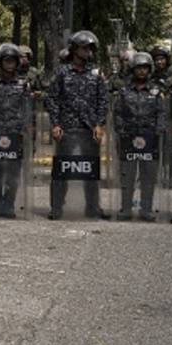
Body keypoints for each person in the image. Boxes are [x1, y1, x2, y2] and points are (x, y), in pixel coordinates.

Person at [45, 31, 110, 220]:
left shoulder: (96, 73)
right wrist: (55, 123)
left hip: (89, 129)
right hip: (67, 127)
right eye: (84, 48)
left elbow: (103, 101)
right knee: (62, 170)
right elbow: (52, 98)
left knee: (90, 170)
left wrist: (100, 124)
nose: (88, 51)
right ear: (74, 49)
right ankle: (56, 207)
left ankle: (92, 207)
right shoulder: (62, 72)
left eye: (90, 48)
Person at [113, 52, 165, 221]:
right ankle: (126, 208)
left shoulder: (156, 92)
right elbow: (118, 113)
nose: (142, 72)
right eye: (139, 68)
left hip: (150, 138)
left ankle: (146, 209)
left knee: (148, 176)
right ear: (133, 70)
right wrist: (122, 131)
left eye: (145, 68)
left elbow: (161, 113)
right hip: (128, 138)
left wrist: (158, 131)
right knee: (127, 175)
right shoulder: (124, 91)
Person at [0, 43, 32, 218]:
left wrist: (24, 129)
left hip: (15, 132)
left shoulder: (23, 84)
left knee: (13, 172)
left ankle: (9, 205)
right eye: (6, 60)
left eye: (12, 60)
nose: (9, 64)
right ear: (1, 62)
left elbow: (27, 109)